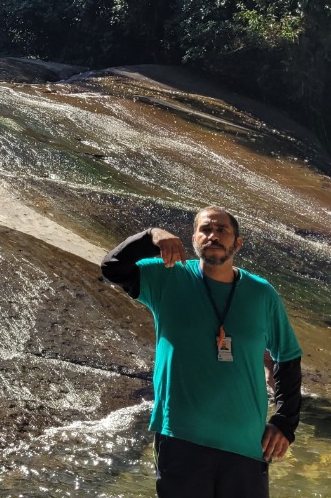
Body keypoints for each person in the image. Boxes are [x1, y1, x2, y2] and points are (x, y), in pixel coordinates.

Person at [100, 207, 302, 498]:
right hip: (182, 439)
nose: (213, 236)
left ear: (237, 243)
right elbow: (112, 267)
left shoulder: (262, 293)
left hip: (245, 445)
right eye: (205, 230)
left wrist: (285, 421)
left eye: (222, 230)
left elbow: (288, 357)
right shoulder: (166, 278)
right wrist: (151, 236)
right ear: (194, 238)